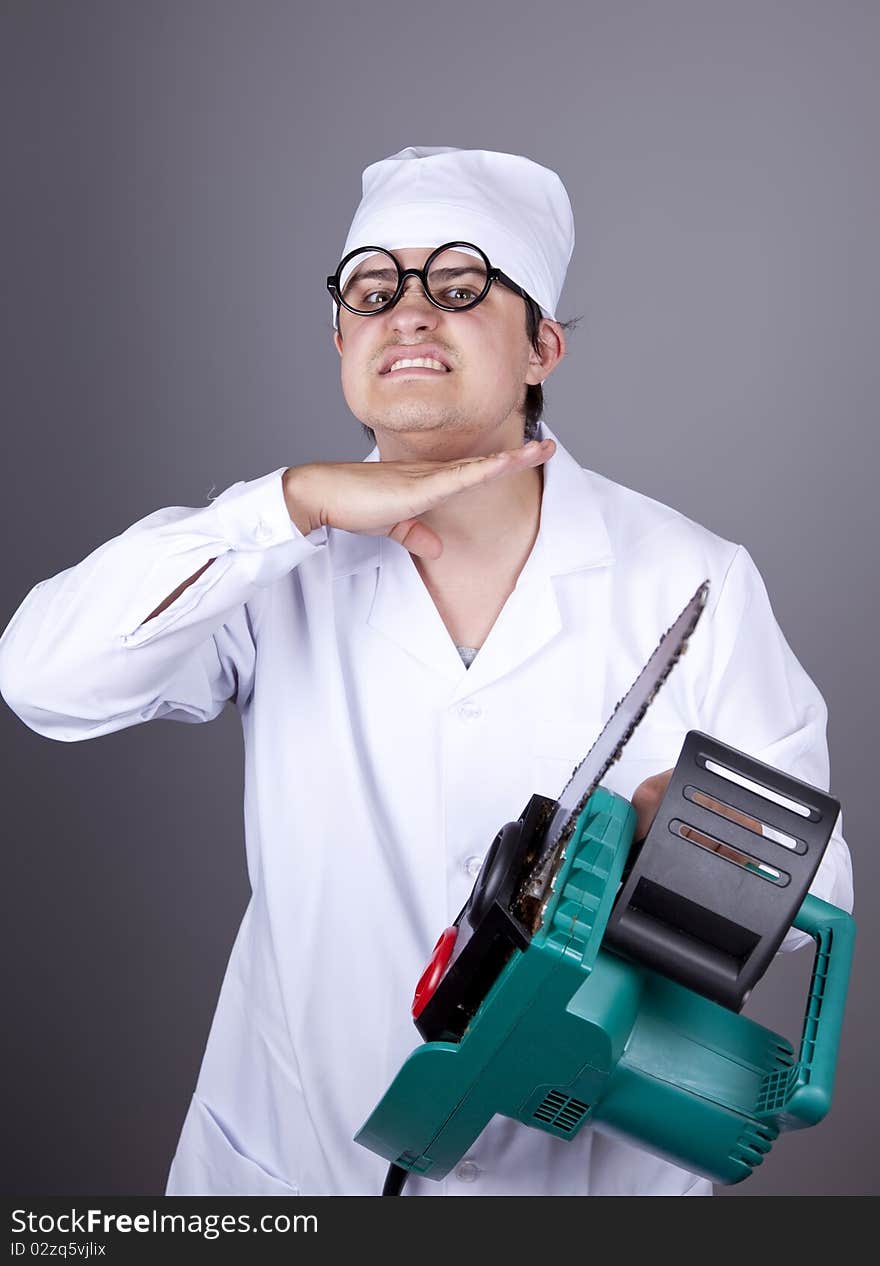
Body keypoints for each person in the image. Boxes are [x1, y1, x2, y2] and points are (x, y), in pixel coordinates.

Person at [0, 146, 853, 1197]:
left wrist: (672, 832)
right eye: (372, 291)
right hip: (294, 1172)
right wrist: (288, 507)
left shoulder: (692, 579)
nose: (407, 314)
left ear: (541, 345)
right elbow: (42, 678)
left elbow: (819, 885)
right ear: (341, 339)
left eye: (456, 288)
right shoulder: (266, 562)